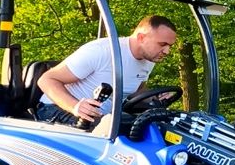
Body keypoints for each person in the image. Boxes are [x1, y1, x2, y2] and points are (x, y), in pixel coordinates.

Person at [35, 15, 179, 126]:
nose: (167, 51)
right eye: (162, 44)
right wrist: (75, 106)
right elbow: (46, 80)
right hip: (56, 110)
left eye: (170, 46)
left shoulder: (149, 59)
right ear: (141, 38)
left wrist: (154, 98)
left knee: (157, 127)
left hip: (103, 119)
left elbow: (137, 90)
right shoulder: (101, 51)